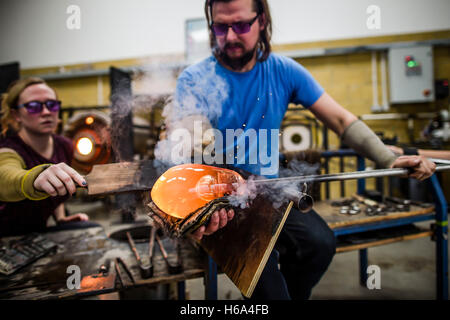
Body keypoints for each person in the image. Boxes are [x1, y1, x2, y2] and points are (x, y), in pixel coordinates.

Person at [170, 0, 436, 299]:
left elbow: (340, 119)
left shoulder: (283, 71)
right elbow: (187, 142)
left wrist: (389, 158)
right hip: (221, 197)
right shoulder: (194, 79)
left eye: (242, 25)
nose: (230, 36)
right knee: (263, 276)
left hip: (271, 187)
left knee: (319, 244)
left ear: (262, 21)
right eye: (221, 26)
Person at [0, 77, 96, 237]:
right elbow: (6, 177)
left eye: (51, 104)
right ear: (16, 114)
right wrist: (35, 177)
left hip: (39, 233)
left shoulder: (64, 146)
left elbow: (55, 191)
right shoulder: (8, 149)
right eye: (33, 106)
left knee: (90, 229)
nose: (46, 112)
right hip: (8, 237)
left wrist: (60, 218)